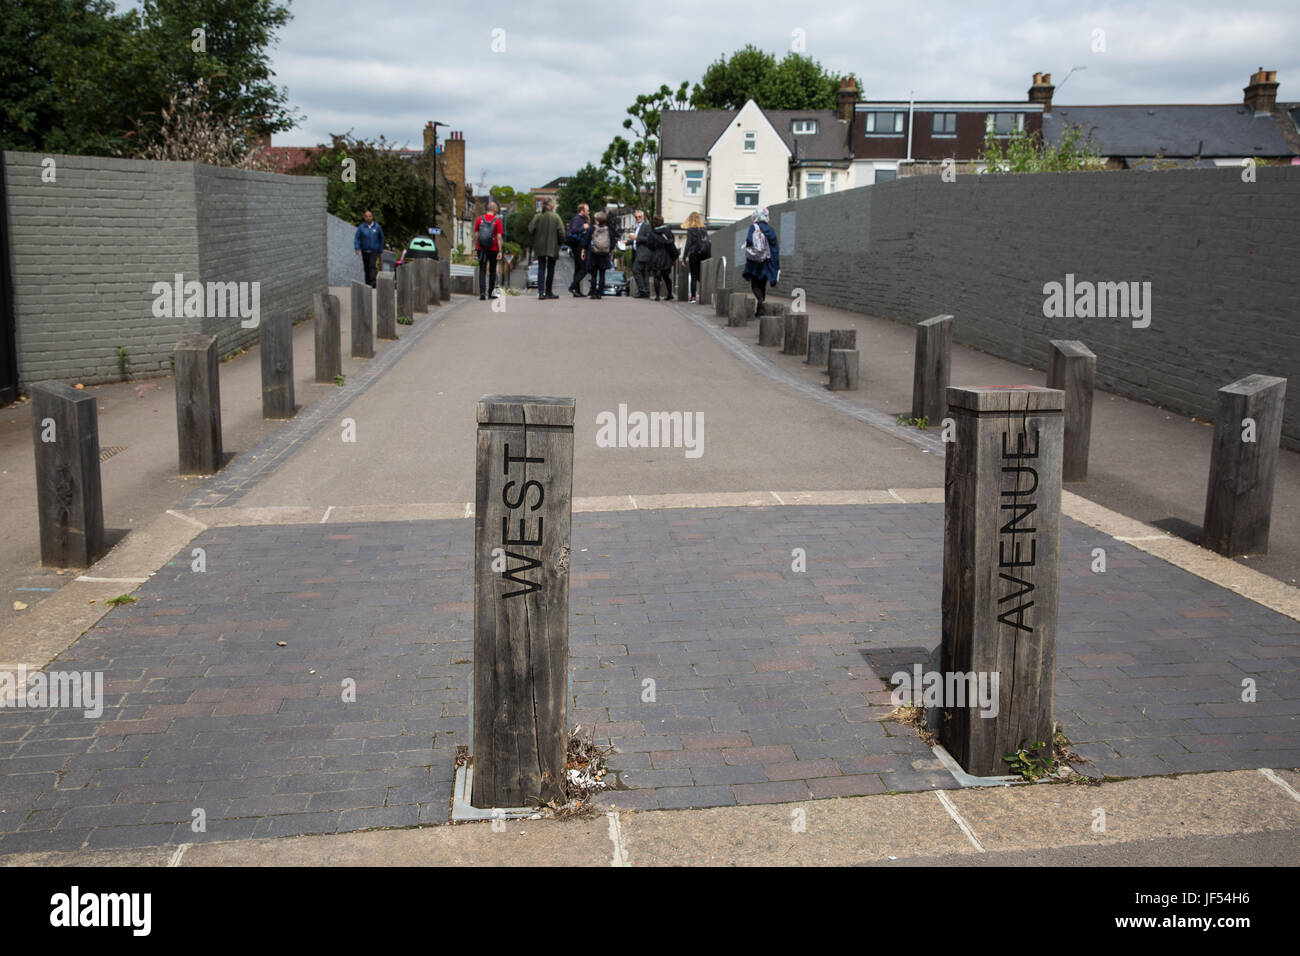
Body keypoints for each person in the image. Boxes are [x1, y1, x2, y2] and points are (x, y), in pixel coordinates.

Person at [741, 205, 780, 317]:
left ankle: (761, 303)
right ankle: (759, 311)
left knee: (755, 285)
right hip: (766, 262)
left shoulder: (754, 227)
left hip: (754, 262)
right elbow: (775, 249)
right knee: (763, 285)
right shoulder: (771, 230)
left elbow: (749, 241)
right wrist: (776, 266)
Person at [529, 199, 566, 299]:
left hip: (540, 246)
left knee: (541, 268)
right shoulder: (556, 217)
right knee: (551, 269)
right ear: (550, 206)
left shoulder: (538, 216)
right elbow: (561, 232)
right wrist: (560, 242)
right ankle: (549, 291)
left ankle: (541, 292)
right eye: (553, 204)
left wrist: (536, 237)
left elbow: (530, 229)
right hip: (552, 246)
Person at [473, 201, 505, 300]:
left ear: (487, 209)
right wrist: (500, 251)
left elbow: (476, 235)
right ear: (495, 209)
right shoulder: (497, 221)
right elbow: (499, 237)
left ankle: (482, 293)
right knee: (492, 271)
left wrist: (476, 247)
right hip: (493, 248)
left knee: (482, 270)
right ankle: (490, 293)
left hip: (481, 248)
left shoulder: (480, 219)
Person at [585, 210, 616, 302]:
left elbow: (587, 240)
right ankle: (599, 293)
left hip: (594, 253)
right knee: (602, 275)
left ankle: (593, 293)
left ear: (597, 220)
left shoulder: (592, 229)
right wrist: (611, 251)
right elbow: (612, 242)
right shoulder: (608, 230)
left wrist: (584, 249)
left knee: (594, 275)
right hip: (604, 254)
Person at [681, 211, 710, 302]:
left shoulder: (690, 230)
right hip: (704, 255)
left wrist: (684, 258)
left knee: (694, 276)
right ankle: (705, 296)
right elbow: (708, 243)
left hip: (694, 254)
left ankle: (693, 297)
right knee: (702, 276)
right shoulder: (704, 230)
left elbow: (688, 244)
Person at [353, 210, 385, 287]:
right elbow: (357, 238)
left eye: (369, 216)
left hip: (374, 251)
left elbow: (381, 238)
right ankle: (367, 283)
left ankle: (373, 283)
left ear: (372, 217)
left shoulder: (377, 227)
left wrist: (380, 249)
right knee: (366, 267)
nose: (368, 218)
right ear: (364, 218)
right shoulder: (361, 227)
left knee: (372, 266)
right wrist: (357, 248)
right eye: (366, 216)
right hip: (365, 251)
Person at [650, 215, 676, 301]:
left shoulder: (653, 232)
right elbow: (672, 241)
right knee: (666, 277)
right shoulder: (667, 231)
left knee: (656, 277)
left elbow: (649, 244)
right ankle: (669, 294)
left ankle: (657, 296)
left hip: (656, 256)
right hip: (666, 256)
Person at [627, 209, 652, 298]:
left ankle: (642, 290)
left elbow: (648, 238)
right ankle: (646, 291)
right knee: (643, 273)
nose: (638, 218)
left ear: (643, 217)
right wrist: (627, 242)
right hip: (637, 252)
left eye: (639, 217)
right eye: (636, 217)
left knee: (636, 270)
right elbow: (635, 241)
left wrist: (636, 237)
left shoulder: (646, 226)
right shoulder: (637, 226)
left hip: (643, 253)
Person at [567, 203, 590, 297]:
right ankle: (572, 287)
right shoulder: (577, 219)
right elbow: (573, 230)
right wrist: (583, 227)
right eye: (587, 210)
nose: (589, 212)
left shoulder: (581, 219)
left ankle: (576, 291)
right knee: (584, 269)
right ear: (582, 211)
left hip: (578, 247)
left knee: (578, 269)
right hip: (579, 248)